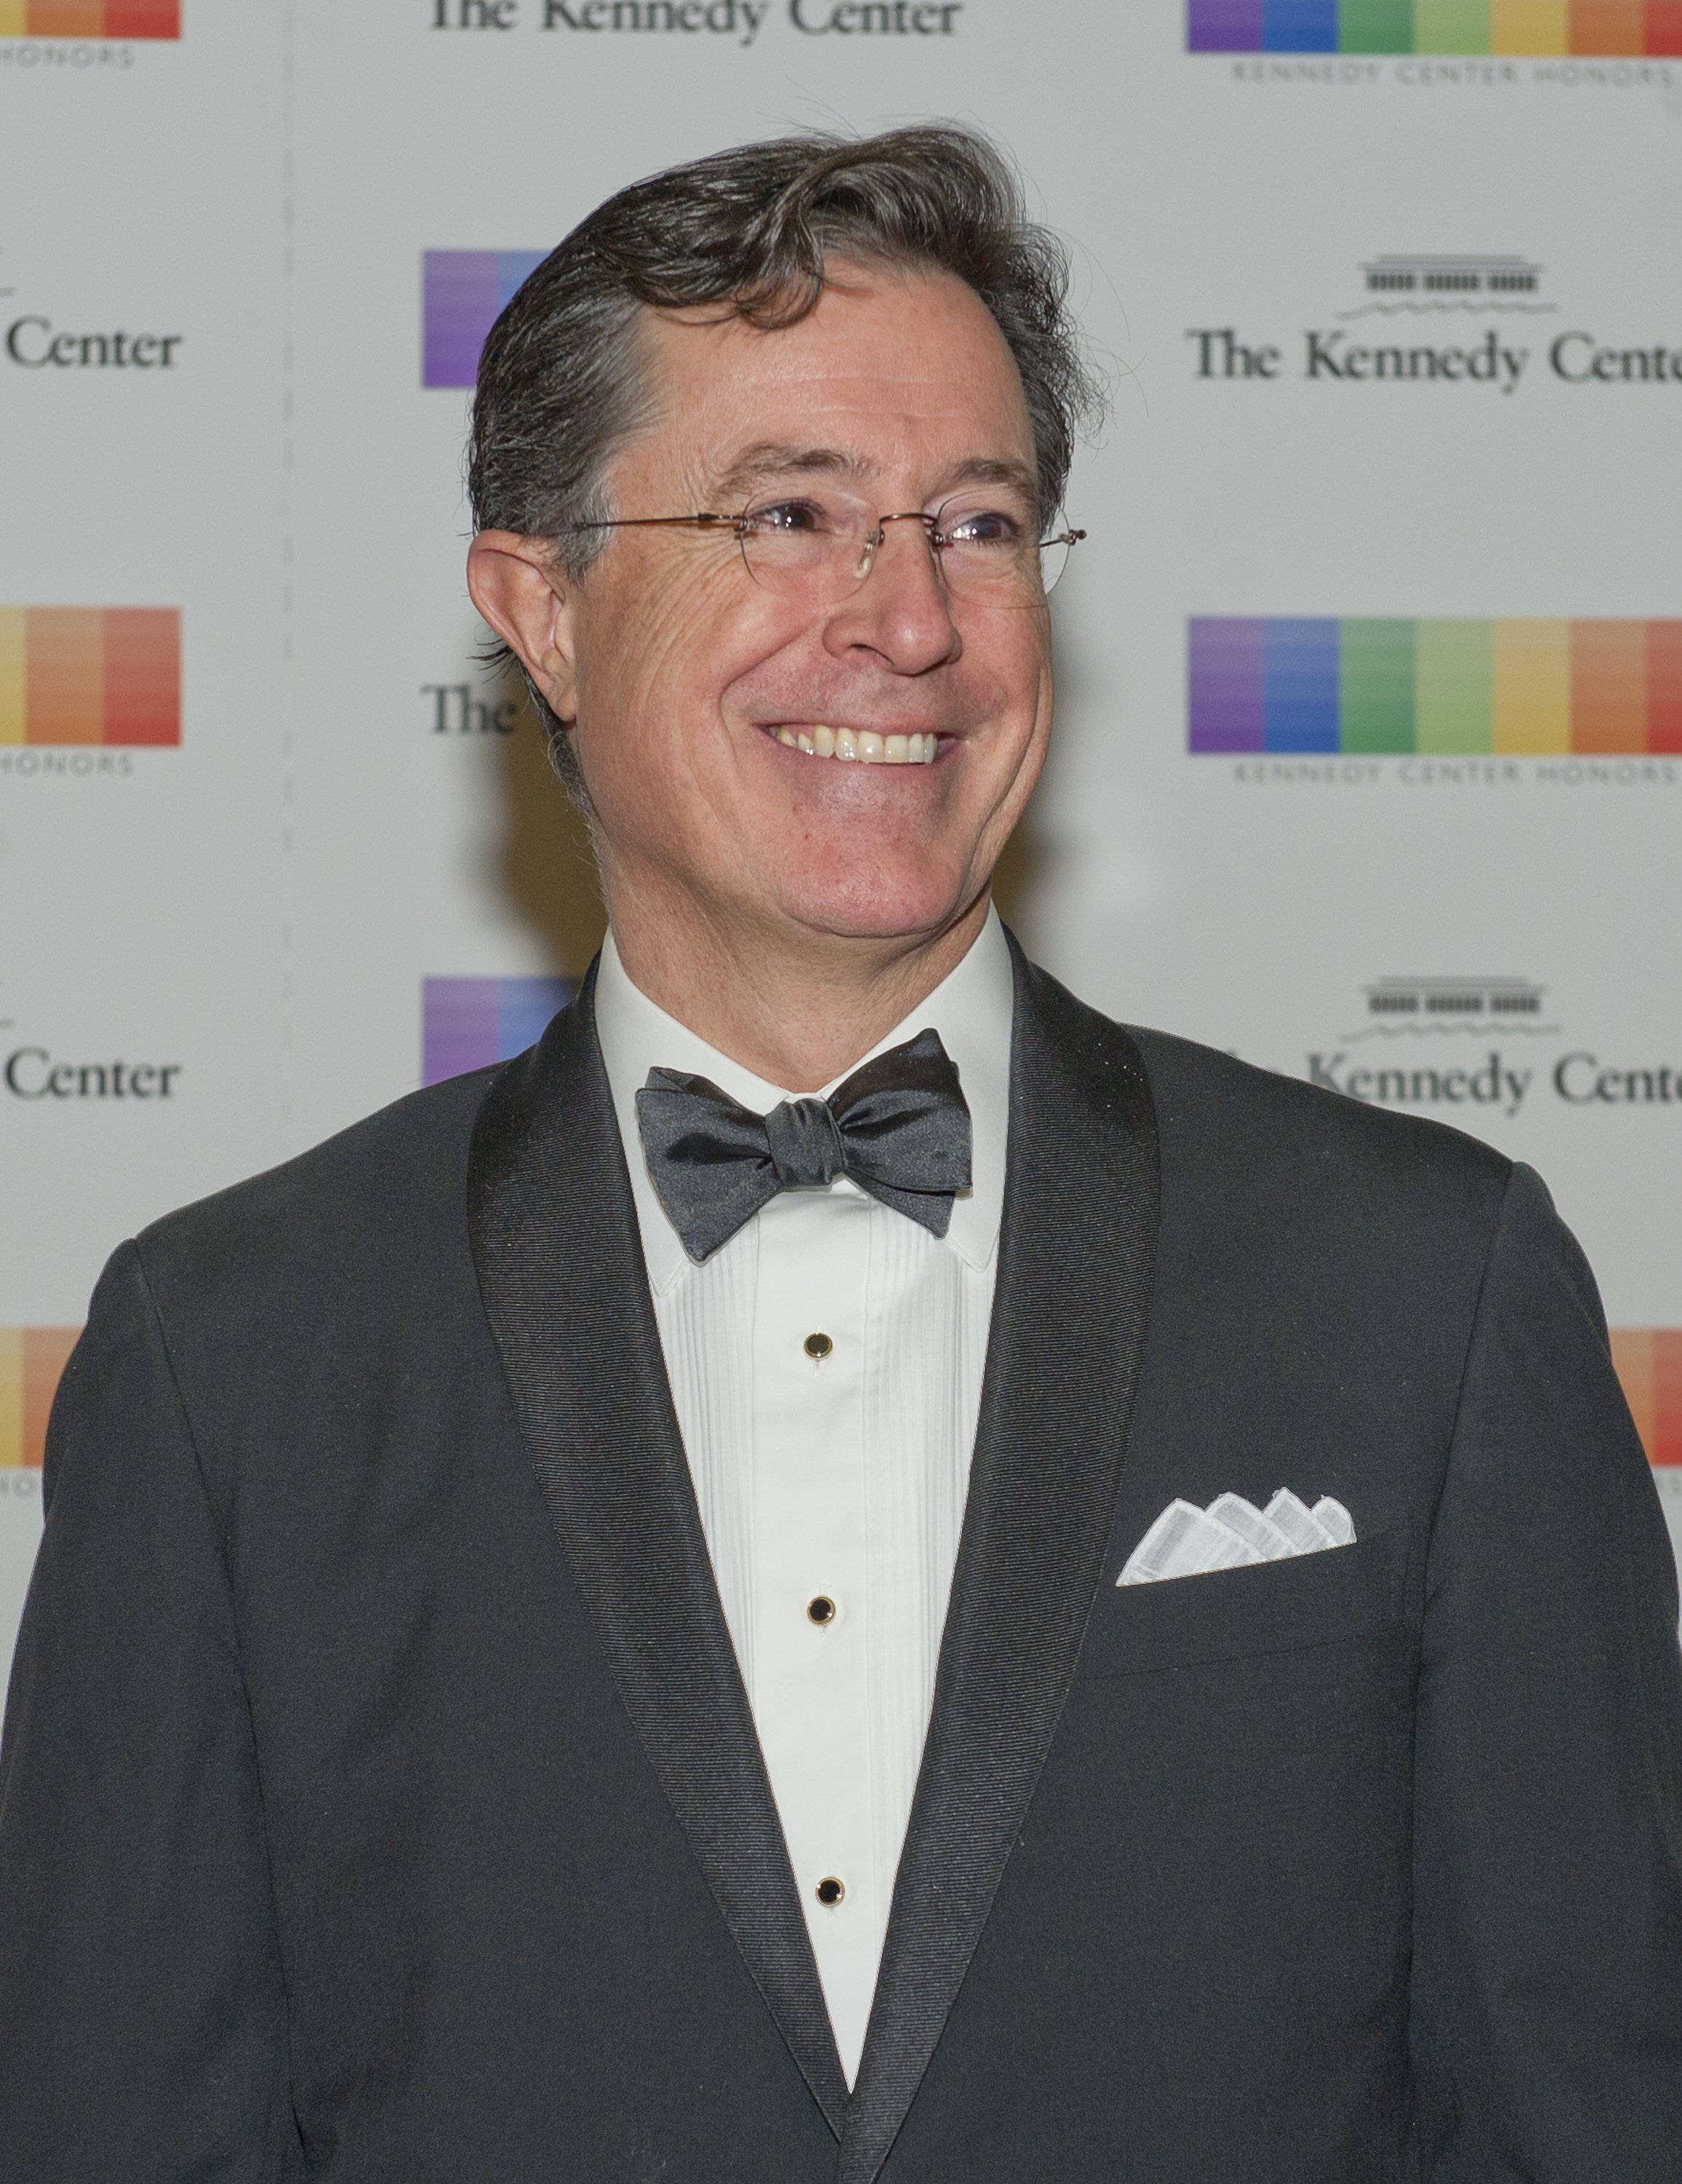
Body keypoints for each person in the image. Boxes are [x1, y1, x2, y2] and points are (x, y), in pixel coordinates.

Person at [1, 126, 1679, 2184]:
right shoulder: (226, 1356)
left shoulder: (1430, 1290)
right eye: (790, 514)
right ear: (542, 608)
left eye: (976, 522)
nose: (905, 620)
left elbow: (1587, 2115)